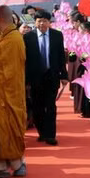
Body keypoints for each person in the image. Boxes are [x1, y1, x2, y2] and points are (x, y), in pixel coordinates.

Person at [0, 5, 27, 175]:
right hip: (5, 93)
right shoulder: (8, 36)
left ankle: (16, 164)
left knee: (6, 127)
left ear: (0, 19)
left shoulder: (13, 39)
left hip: (8, 95)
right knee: (0, 128)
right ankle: (5, 165)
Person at [23, 9, 68, 145]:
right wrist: (26, 80)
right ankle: (42, 132)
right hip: (35, 77)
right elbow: (25, 60)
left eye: (45, 21)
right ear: (35, 22)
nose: (42, 23)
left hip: (52, 75)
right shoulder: (28, 37)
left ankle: (50, 135)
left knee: (50, 106)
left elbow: (61, 56)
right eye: (39, 21)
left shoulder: (57, 35)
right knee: (37, 106)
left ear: (49, 22)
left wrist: (64, 75)